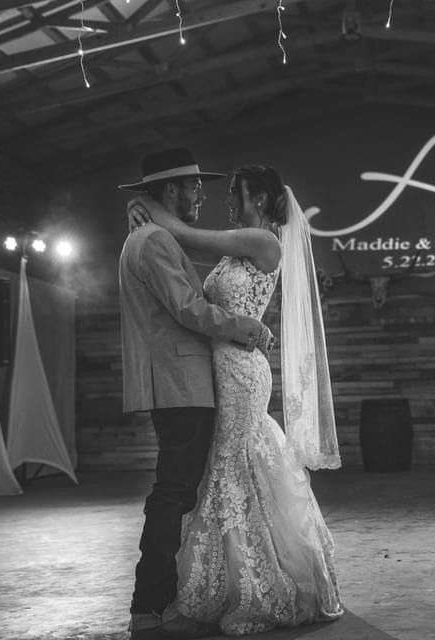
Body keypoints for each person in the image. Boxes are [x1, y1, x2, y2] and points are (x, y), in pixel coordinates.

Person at [126, 164, 345, 636]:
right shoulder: (236, 248)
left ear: (260, 199)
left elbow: (188, 236)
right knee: (223, 466)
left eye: (236, 193)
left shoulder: (263, 242)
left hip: (243, 367)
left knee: (239, 459)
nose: (227, 201)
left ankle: (263, 581)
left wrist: (146, 207)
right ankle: (226, 579)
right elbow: (180, 247)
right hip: (216, 367)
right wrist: (145, 215)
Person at [117, 149, 276, 640]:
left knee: (181, 490)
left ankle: (170, 598)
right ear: (171, 191)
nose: (202, 194)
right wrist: (247, 327)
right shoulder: (154, 240)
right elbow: (189, 309)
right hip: (181, 383)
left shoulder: (152, 235)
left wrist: (140, 208)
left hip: (193, 381)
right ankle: (150, 606)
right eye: (194, 187)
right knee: (174, 492)